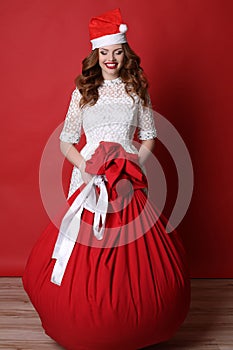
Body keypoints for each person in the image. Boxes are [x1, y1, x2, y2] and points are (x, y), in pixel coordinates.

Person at [23, 8, 190, 350]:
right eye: (104, 52)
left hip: (127, 178)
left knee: (132, 248)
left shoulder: (136, 89)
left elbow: (149, 137)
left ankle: (130, 319)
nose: (111, 59)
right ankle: (81, 316)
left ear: (124, 53)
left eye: (116, 51)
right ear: (95, 54)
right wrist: (85, 168)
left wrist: (134, 164)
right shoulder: (82, 92)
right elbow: (66, 141)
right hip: (90, 178)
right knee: (87, 245)